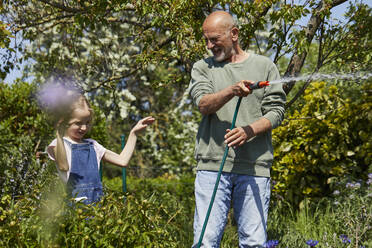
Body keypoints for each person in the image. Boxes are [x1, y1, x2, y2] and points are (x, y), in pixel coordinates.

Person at [188, 11, 286, 247]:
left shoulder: (264, 66)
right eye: (206, 40)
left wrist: (248, 131)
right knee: (206, 241)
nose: (210, 45)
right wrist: (231, 91)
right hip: (212, 167)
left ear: (234, 34)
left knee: (253, 242)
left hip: (254, 167)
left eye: (215, 39)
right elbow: (203, 104)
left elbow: (276, 112)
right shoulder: (203, 68)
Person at [46, 87, 154, 205]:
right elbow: (63, 166)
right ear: (63, 122)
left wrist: (133, 133)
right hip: (74, 207)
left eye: (87, 122)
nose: (84, 128)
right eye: (78, 123)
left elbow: (123, 161)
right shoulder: (58, 144)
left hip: (97, 206)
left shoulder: (93, 145)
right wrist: (59, 133)